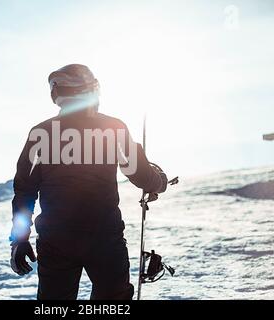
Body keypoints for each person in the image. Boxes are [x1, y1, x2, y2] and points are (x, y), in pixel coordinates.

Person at [10, 64, 168, 300]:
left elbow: (25, 191)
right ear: (92, 90)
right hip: (104, 237)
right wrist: (160, 183)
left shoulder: (40, 133)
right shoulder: (113, 128)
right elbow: (140, 174)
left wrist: (19, 239)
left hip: (56, 240)